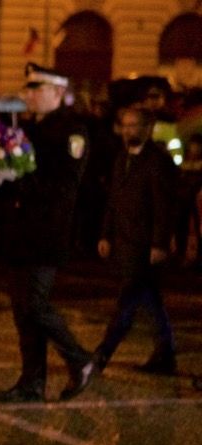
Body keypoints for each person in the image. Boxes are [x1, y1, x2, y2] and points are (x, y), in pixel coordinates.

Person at [0, 63, 94, 403]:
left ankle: (79, 358)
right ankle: (32, 382)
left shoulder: (71, 131)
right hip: (21, 232)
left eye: (36, 90)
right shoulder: (30, 130)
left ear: (58, 93)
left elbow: (64, 186)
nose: (29, 96)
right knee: (22, 310)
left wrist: (15, 177)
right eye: (28, 90)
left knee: (35, 305)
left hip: (47, 232)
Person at [92, 106, 178, 376]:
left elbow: (163, 206)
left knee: (127, 301)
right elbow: (113, 200)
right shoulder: (121, 158)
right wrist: (105, 234)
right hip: (124, 242)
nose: (128, 131)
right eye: (125, 125)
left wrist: (159, 243)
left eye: (134, 126)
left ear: (147, 129)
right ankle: (166, 353)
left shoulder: (156, 160)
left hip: (144, 245)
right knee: (152, 300)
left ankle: (101, 354)